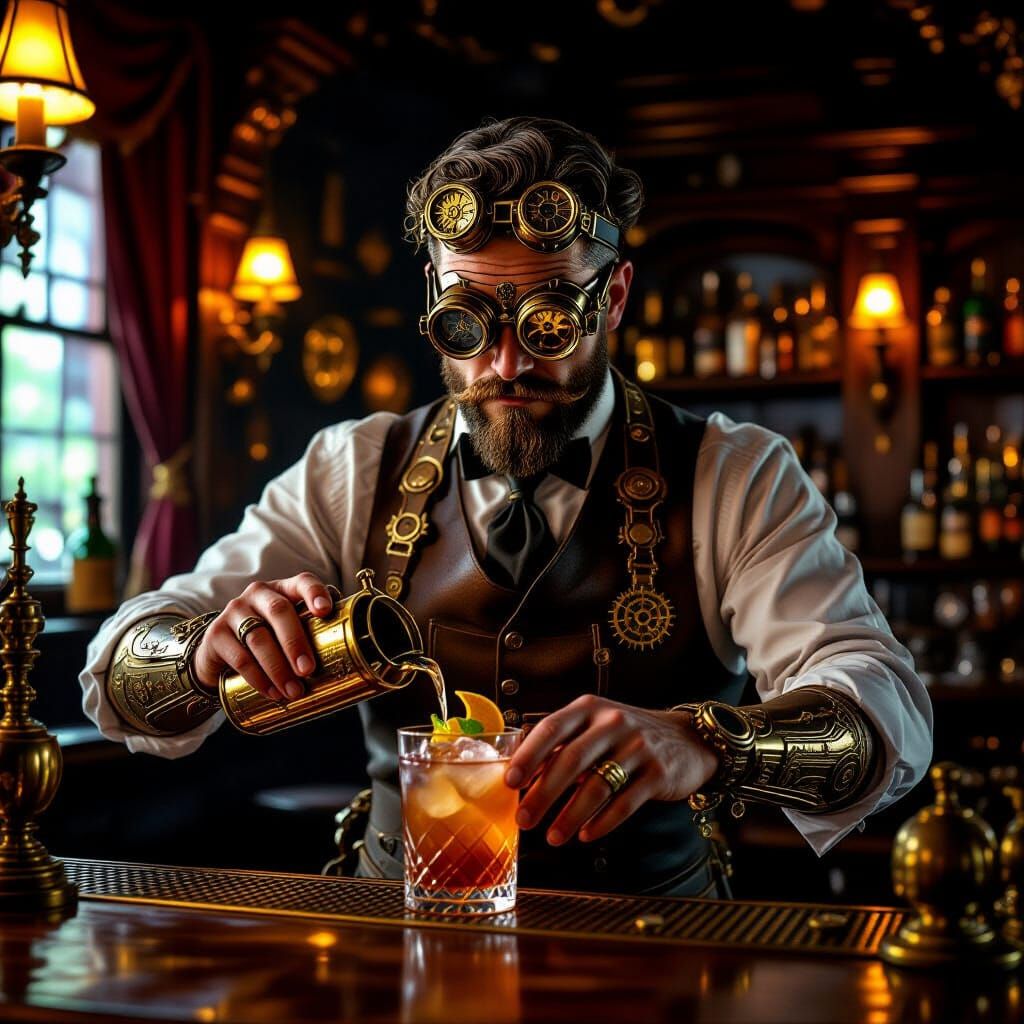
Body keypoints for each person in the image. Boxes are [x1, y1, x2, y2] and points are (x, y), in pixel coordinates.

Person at [80, 116, 932, 898]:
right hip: (395, 929)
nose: (507, 361)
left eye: (551, 319)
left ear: (617, 296)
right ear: (432, 298)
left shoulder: (733, 475)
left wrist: (707, 741)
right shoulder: (355, 466)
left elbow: (882, 707)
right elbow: (118, 674)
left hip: (655, 946)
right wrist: (201, 650)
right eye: (467, 322)